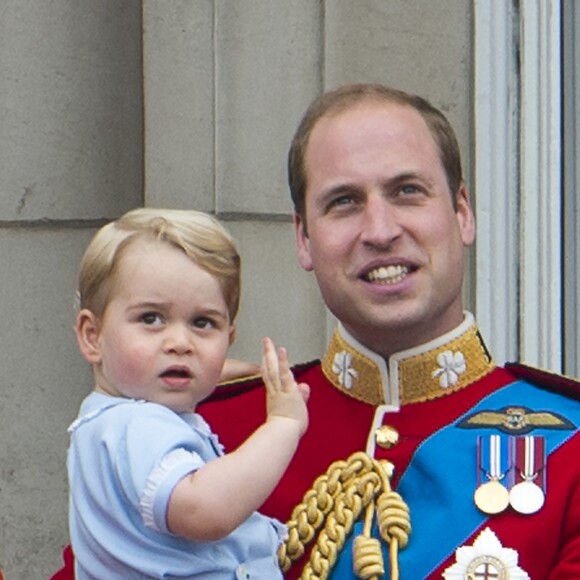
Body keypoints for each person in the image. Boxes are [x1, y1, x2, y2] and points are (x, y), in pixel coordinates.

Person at [52, 85, 580, 579]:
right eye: (344, 202)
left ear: (462, 213)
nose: (380, 230)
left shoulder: (568, 441)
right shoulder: (203, 428)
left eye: (408, 191)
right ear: (304, 238)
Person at [65, 208, 309, 579]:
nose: (180, 343)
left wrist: (215, 370)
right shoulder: (137, 425)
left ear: (228, 340)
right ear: (92, 336)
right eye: (151, 318)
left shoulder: (106, 416)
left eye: (202, 323)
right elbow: (203, 511)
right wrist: (284, 423)